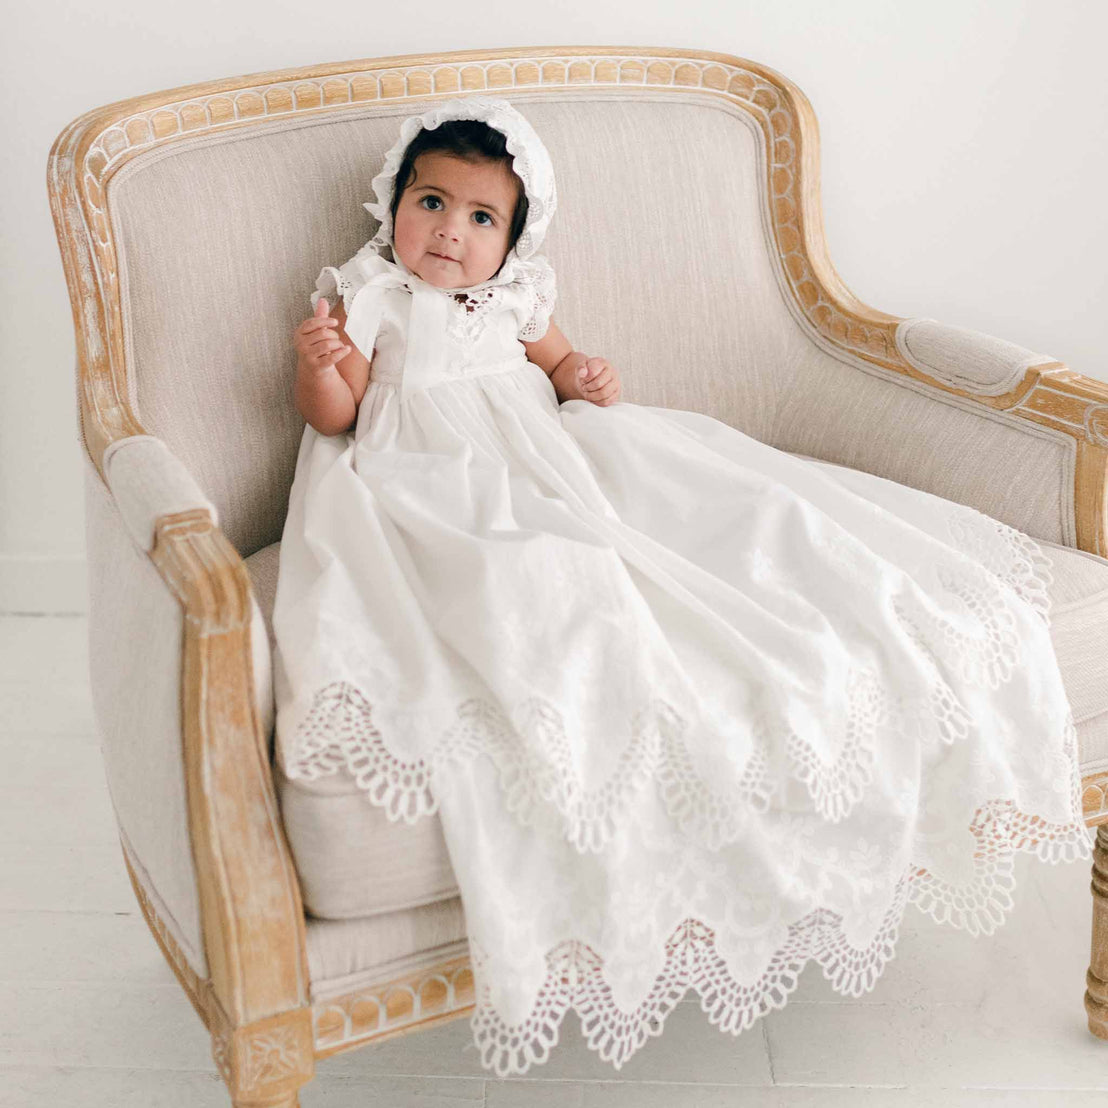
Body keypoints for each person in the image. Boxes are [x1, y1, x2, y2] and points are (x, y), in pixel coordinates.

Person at [272, 96, 1090, 1077]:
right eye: (431, 201)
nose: (449, 230)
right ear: (394, 206)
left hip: (551, 457)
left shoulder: (517, 300)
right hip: (431, 479)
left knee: (717, 519)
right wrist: (318, 367)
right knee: (529, 565)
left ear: (511, 239)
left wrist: (586, 375)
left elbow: (561, 363)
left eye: (480, 217)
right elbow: (338, 415)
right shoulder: (370, 296)